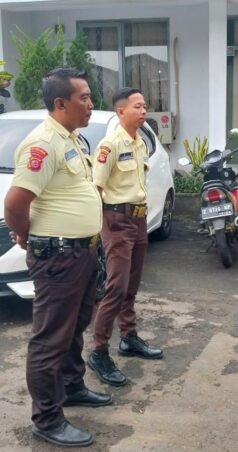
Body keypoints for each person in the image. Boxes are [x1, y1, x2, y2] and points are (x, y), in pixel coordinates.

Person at [3, 68, 110, 448]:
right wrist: (25, 233)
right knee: (50, 338)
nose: (91, 104)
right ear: (60, 103)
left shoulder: (73, 139)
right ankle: (47, 418)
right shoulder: (42, 144)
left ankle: (72, 386)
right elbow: (16, 203)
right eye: (84, 98)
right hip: (59, 256)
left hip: (81, 252)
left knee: (75, 324)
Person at [87, 87, 163, 387]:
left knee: (131, 285)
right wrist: (99, 228)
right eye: (138, 106)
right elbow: (97, 187)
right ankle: (98, 351)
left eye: (145, 106)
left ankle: (129, 338)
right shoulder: (111, 144)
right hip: (117, 221)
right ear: (121, 111)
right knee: (115, 288)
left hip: (138, 220)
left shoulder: (139, 141)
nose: (144, 111)